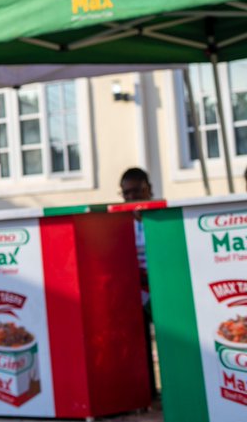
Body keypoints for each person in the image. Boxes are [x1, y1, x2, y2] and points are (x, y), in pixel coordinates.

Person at [118, 167, 155, 396]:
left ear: (148, 189)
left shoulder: (161, 216)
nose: (131, 198)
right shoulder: (119, 222)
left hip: (161, 287)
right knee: (137, 343)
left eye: (136, 191)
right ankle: (146, 392)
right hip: (134, 290)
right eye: (126, 193)